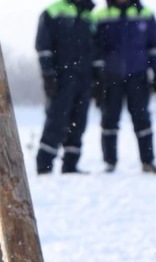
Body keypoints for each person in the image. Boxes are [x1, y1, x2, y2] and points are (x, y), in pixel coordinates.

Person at [92, 0, 156, 173]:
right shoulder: (100, 16)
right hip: (110, 78)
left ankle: (148, 161)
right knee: (109, 119)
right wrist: (96, 78)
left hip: (138, 76)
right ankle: (109, 162)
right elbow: (94, 48)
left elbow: (155, 44)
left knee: (142, 119)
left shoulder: (145, 14)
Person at [35, 0, 97, 175]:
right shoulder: (52, 12)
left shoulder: (90, 16)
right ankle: (44, 165)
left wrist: (98, 78)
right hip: (61, 78)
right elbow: (43, 45)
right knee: (56, 120)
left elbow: (96, 48)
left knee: (79, 122)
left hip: (84, 79)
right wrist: (48, 74)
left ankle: (71, 164)